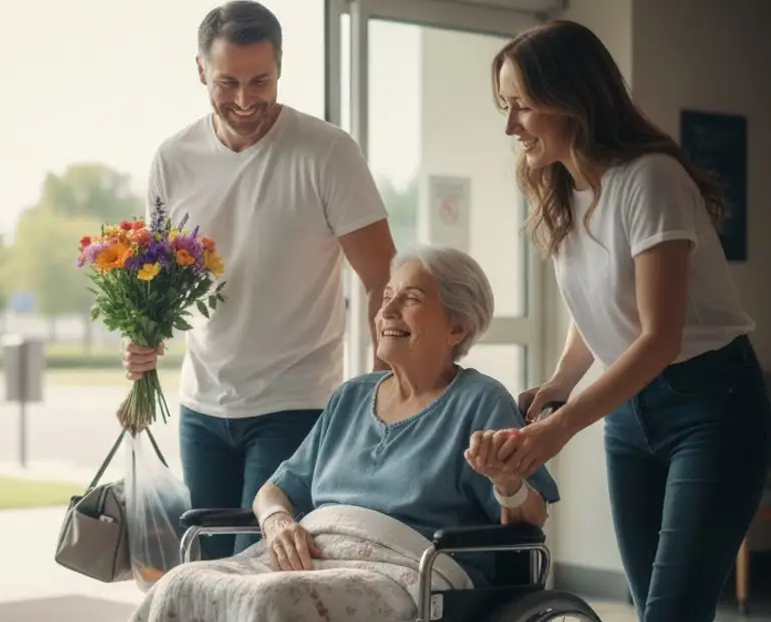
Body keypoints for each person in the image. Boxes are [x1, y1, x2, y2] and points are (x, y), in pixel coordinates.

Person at [485, 20, 771, 622]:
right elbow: (596, 306)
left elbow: (658, 336)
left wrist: (558, 430)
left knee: (672, 613)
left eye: (522, 106)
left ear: (571, 100)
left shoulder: (649, 179)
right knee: (652, 610)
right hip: (630, 417)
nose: (510, 125)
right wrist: (560, 384)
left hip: (710, 407)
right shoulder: (562, 187)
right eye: (505, 107)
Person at [129, 246, 560, 622]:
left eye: (409, 299)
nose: (386, 311)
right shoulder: (352, 396)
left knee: (274, 600)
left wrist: (506, 482)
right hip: (314, 559)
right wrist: (278, 523)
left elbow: (528, 526)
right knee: (180, 583)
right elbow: (274, 491)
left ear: (457, 328)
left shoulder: (480, 401)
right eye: (386, 297)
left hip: (409, 573)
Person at [121, 0, 397, 561]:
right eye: (227, 82)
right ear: (200, 70)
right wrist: (144, 339)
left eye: (260, 81)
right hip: (201, 405)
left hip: (295, 402)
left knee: (260, 567)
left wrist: (379, 390)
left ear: (280, 68)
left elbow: (383, 281)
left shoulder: (327, 152)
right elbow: (159, 273)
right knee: (203, 567)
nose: (245, 100)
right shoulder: (172, 158)